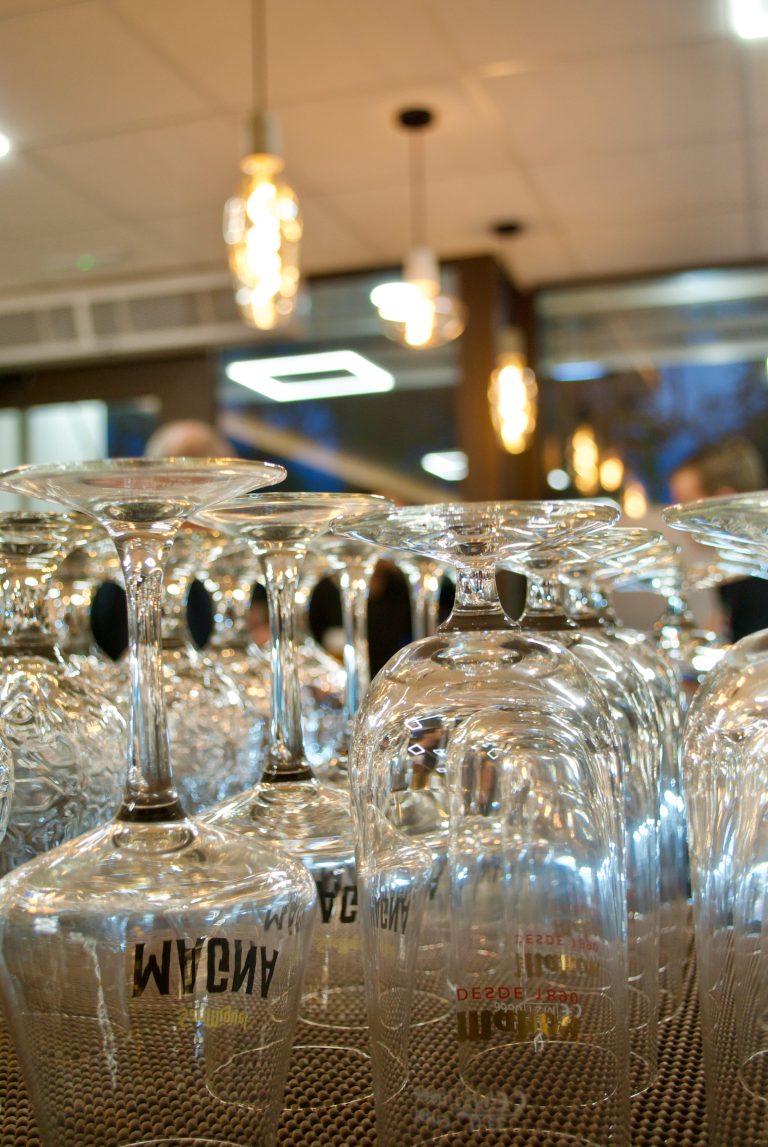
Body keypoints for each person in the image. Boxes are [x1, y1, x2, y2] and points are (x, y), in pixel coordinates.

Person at [668, 436, 768, 641]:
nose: (680, 524)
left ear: (723, 502)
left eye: (685, 506)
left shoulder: (757, 578)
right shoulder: (734, 570)